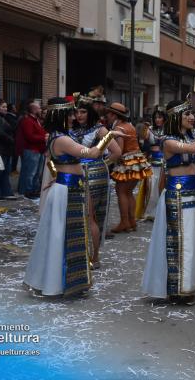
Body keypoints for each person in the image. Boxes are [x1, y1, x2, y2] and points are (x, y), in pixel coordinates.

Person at [24, 97, 119, 297]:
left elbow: (49, 160)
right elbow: (92, 154)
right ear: (60, 116)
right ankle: (59, 282)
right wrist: (109, 136)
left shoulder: (55, 136)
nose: (73, 117)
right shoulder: (62, 139)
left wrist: (56, 173)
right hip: (67, 190)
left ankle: (60, 281)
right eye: (69, 114)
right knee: (64, 236)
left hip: (67, 188)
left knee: (66, 235)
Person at [142, 98, 195, 304]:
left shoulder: (189, 136)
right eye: (186, 113)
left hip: (194, 195)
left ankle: (189, 285)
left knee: (194, 241)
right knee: (180, 243)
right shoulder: (168, 141)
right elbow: (192, 150)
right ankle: (178, 289)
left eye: (192, 113)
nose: (191, 117)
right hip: (178, 198)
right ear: (176, 117)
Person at [71, 95, 122, 269]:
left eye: (83, 111)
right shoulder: (72, 129)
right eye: (77, 112)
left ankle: (94, 257)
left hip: (93, 175)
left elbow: (116, 151)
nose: (79, 115)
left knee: (90, 216)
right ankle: (84, 253)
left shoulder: (99, 130)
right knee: (81, 215)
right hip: (76, 173)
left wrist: (100, 165)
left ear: (90, 112)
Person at [107, 102, 152, 233]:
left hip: (127, 163)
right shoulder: (130, 126)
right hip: (138, 161)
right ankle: (132, 222)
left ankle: (124, 222)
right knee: (129, 192)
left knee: (121, 191)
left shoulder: (119, 129)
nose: (107, 117)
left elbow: (119, 151)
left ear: (114, 115)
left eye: (109, 114)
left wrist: (107, 160)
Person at [140, 109, 166, 221]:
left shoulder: (169, 129)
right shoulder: (150, 129)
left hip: (164, 163)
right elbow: (143, 138)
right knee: (151, 189)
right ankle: (150, 213)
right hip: (152, 162)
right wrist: (145, 127)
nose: (157, 120)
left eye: (160, 117)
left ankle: (160, 213)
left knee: (161, 188)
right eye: (156, 117)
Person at [18, 101, 47, 199]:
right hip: (31, 150)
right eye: (39, 108)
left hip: (39, 150)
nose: (40, 110)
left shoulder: (36, 120)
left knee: (37, 172)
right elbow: (30, 136)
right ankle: (28, 191)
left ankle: (34, 190)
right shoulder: (27, 121)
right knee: (30, 173)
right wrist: (44, 138)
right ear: (34, 109)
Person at [0, 98, 17, 200]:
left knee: (4, 171)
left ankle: (5, 191)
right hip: (2, 148)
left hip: (5, 148)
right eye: (3, 107)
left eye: (6, 107)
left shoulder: (2, 117)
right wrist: (11, 140)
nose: (6, 109)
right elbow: (0, 133)